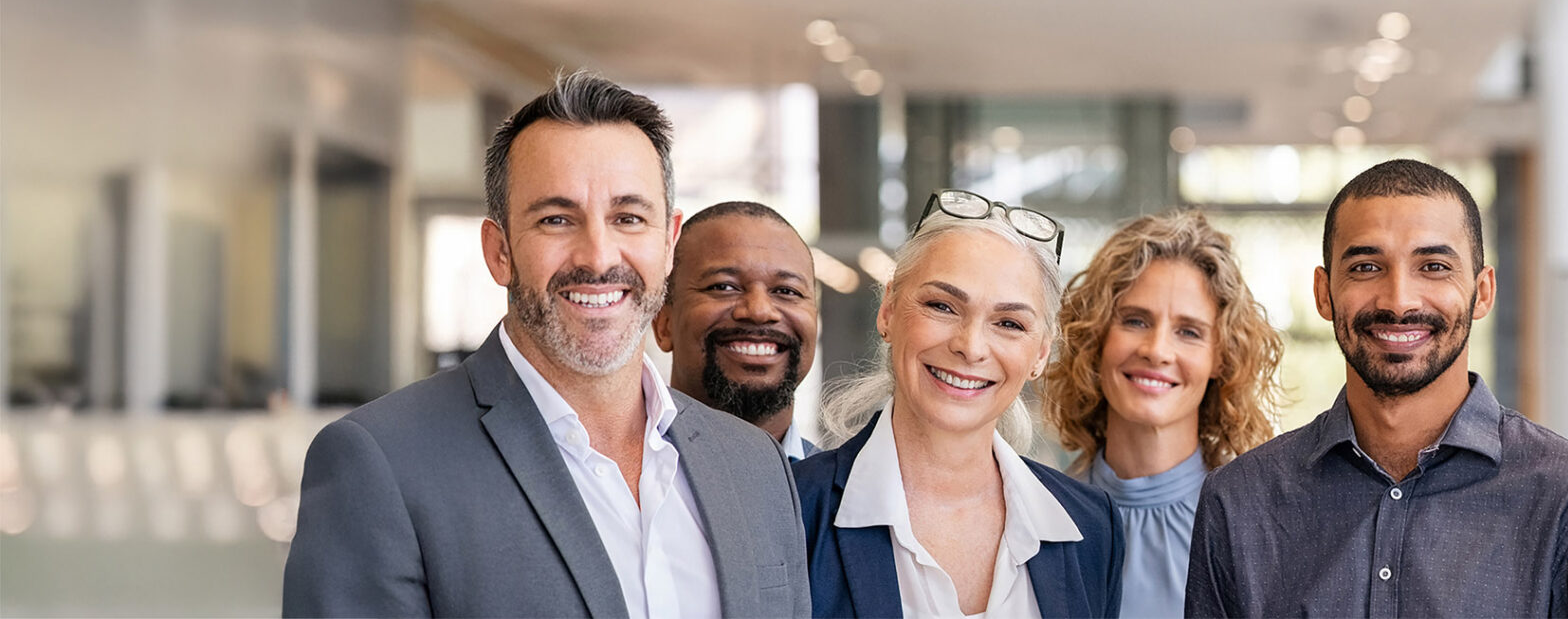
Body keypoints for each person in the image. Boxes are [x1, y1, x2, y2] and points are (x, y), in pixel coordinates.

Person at [283, 72, 810, 618]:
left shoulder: (754, 466)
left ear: (669, 241)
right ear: (499, 251)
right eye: (557, 219)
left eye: (628, 217)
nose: (599, 256)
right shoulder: (381, 465)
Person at [1187, 159, 1568, 618]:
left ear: (1482, 292)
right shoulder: (1239, 502)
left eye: (1433, 266)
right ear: (1324, 293)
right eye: (1367, 267)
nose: (1399, 301)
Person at [794, 189, 1121, 618]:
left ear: (1040, 354)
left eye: (1009, 323)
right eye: (942, 306)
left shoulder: (1092, 525)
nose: (970, 346)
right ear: (888, 310)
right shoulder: (794, 507)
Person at [1043, 208, 1286, 618]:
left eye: (1188, 332)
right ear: (1096, 336)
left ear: (1221, 358)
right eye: (1135, 321)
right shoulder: (1040, 512)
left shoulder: (1258, 523)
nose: (1157, 350)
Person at [654, 200, 823, 460]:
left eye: (786, 291)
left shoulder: (849, 493)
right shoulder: (612, 482)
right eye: (723, 287)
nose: (759, 311)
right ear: (662, 323)